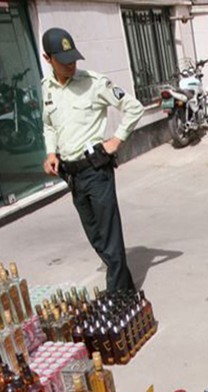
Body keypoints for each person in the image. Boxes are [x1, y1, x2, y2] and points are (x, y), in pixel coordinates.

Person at [40, 27, 144, 292]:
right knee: (96, 236)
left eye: (74, 58)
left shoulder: (94, 83)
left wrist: (116, 139)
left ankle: (117, 297)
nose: (71, 65)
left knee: (109, 237)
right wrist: (51, 152)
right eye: (64, 61)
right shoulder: (47, 88)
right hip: (71, 174)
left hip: (96, 170)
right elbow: (49, 124)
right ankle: (127, 291)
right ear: (47, 58)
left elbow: (133, 108)